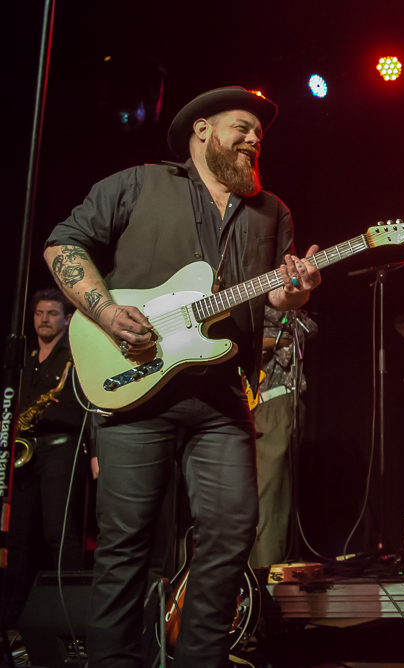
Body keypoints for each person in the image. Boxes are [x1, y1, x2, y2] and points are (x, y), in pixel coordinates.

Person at [43, 86, 322, 668]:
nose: (253, 140)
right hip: (132, 386)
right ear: (201, 130)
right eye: (241, 127)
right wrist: (103, 309)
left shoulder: (273, 211)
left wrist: (291, 294)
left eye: (258, 135)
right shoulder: (139, 183)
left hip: (222, 400)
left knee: (230, 532)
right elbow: (63, 244)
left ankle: (200, 659)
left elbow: (272, 298)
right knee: (125, 544)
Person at [0, 288, 88, 629]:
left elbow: (86, 409)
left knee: (58, 533)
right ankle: (12, 621)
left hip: (62, 449)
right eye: (39, 313)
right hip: (26, 452)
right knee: (17, 539)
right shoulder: (24, 358)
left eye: (52, 313)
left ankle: (69, 618)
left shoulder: (74, 356)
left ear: (66, 318)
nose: (44, 319)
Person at [248, 305, 317, 569]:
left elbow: (307, 328)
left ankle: (262, 583)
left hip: (273, 401)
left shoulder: (282, 314)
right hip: (243, 405)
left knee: (266, 500)